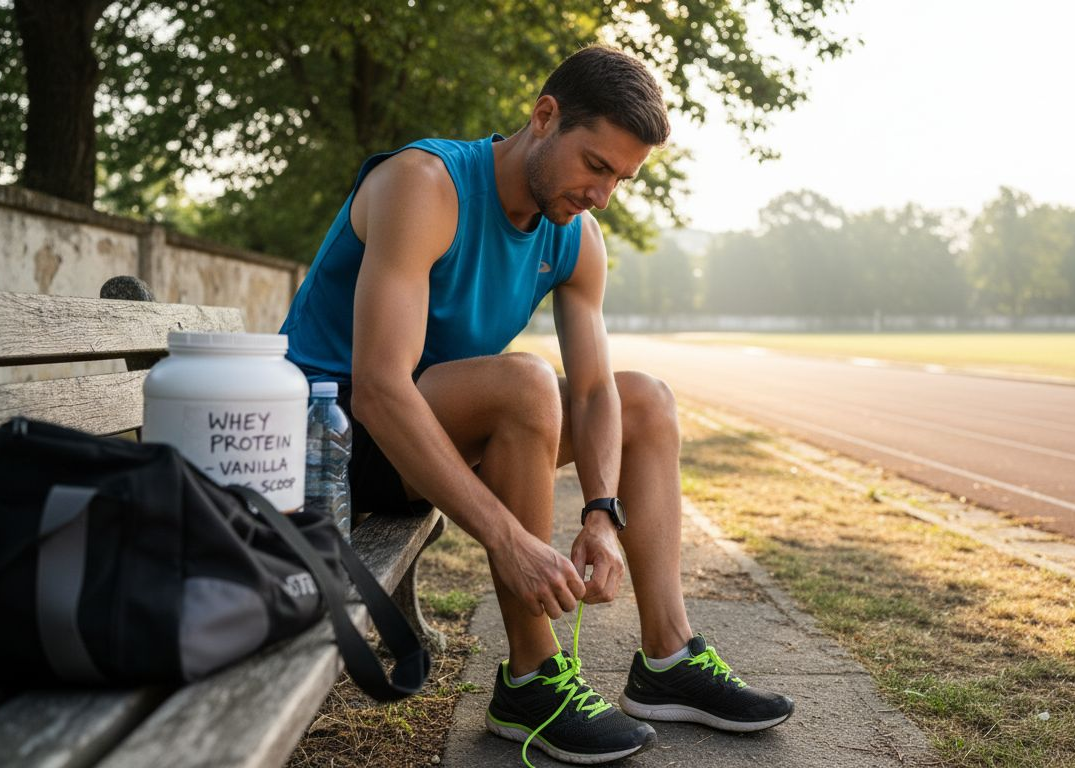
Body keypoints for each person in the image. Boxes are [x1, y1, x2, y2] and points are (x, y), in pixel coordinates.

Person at [280, 45, 793, 764]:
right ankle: (530, 676)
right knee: (523, 383)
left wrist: (599, 513)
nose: (603, 194)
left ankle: (668, 658)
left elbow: (592, 392)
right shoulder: (425, 184)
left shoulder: (577, 235)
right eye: (596, 165)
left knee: (648, 400)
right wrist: (508, 538)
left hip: (434, 429)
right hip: (331, 444)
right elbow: (380, 388)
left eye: (620, 177)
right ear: (545, 116)